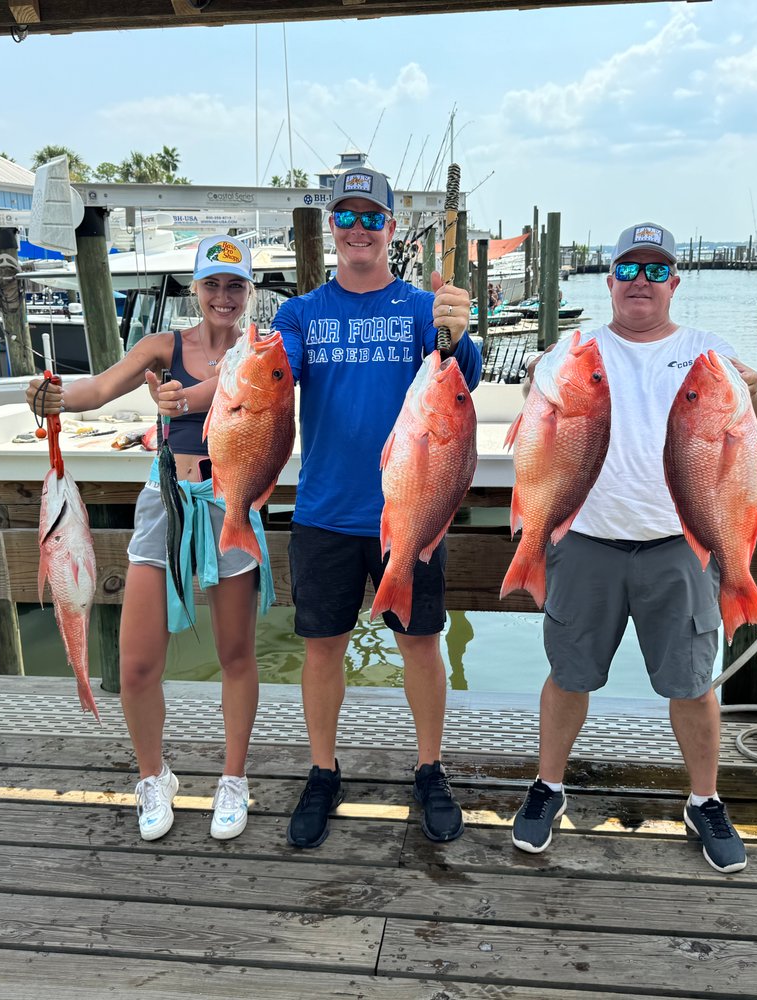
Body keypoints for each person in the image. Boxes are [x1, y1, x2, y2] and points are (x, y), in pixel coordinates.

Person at [510, 221, 757, 874]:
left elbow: (748, 412)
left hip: (680, 547)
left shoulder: (708, 350)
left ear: (674, 282)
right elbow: (538, 405)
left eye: (654, 270)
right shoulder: (579, 348)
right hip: (584, 540)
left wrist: (754, 390)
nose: (640, 281)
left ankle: (704, 798)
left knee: (690, 682)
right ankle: (548, 786)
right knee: (569, 674)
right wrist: (537, 371)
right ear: (609, 279)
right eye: (627, 268)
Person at [26, 235, 265, 844]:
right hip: (165, 504)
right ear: (196, 288)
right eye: (212, 284)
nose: (223, 296)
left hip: (230, 502)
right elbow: (97, 390)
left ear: (247, 293)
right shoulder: (161, 348)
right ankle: (154, 775)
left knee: (236, 655)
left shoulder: (261, 351)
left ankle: (233, 779)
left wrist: (187, 398)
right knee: (135, 665)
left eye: (235, 286)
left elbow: (237, 385)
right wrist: (52, 395)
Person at [272, 167, 481, 849]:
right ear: (330, 229)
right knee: (321, 646)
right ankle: (323, 769)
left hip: (412, 509)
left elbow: (464, 381)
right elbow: (275, 378)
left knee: (420, 642)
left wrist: (459, 332)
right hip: (325, 511)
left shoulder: (423, 309)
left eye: (371, 218)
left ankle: (429, 766)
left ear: (391, 229)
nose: (358, 229)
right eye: (346, 217)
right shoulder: (299, 312)